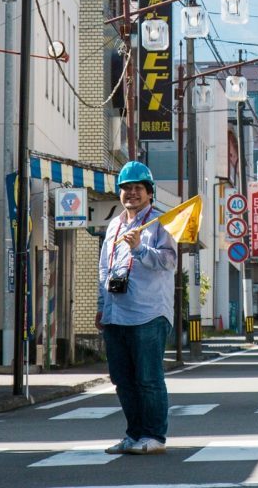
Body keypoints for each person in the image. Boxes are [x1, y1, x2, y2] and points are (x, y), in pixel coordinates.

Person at [97, 161, 177, 455]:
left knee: (148, 378)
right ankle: (133, 435)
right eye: (126, 188)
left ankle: (154, 436)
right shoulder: (114, 225)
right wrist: (101, 305)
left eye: (137, 188)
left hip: (149, 313)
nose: (131, 193)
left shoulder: (161, 221)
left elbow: (169, 261)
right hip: (116, 313)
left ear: (149, 192)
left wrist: (139, 249)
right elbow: (105, 269)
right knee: (123, 380)